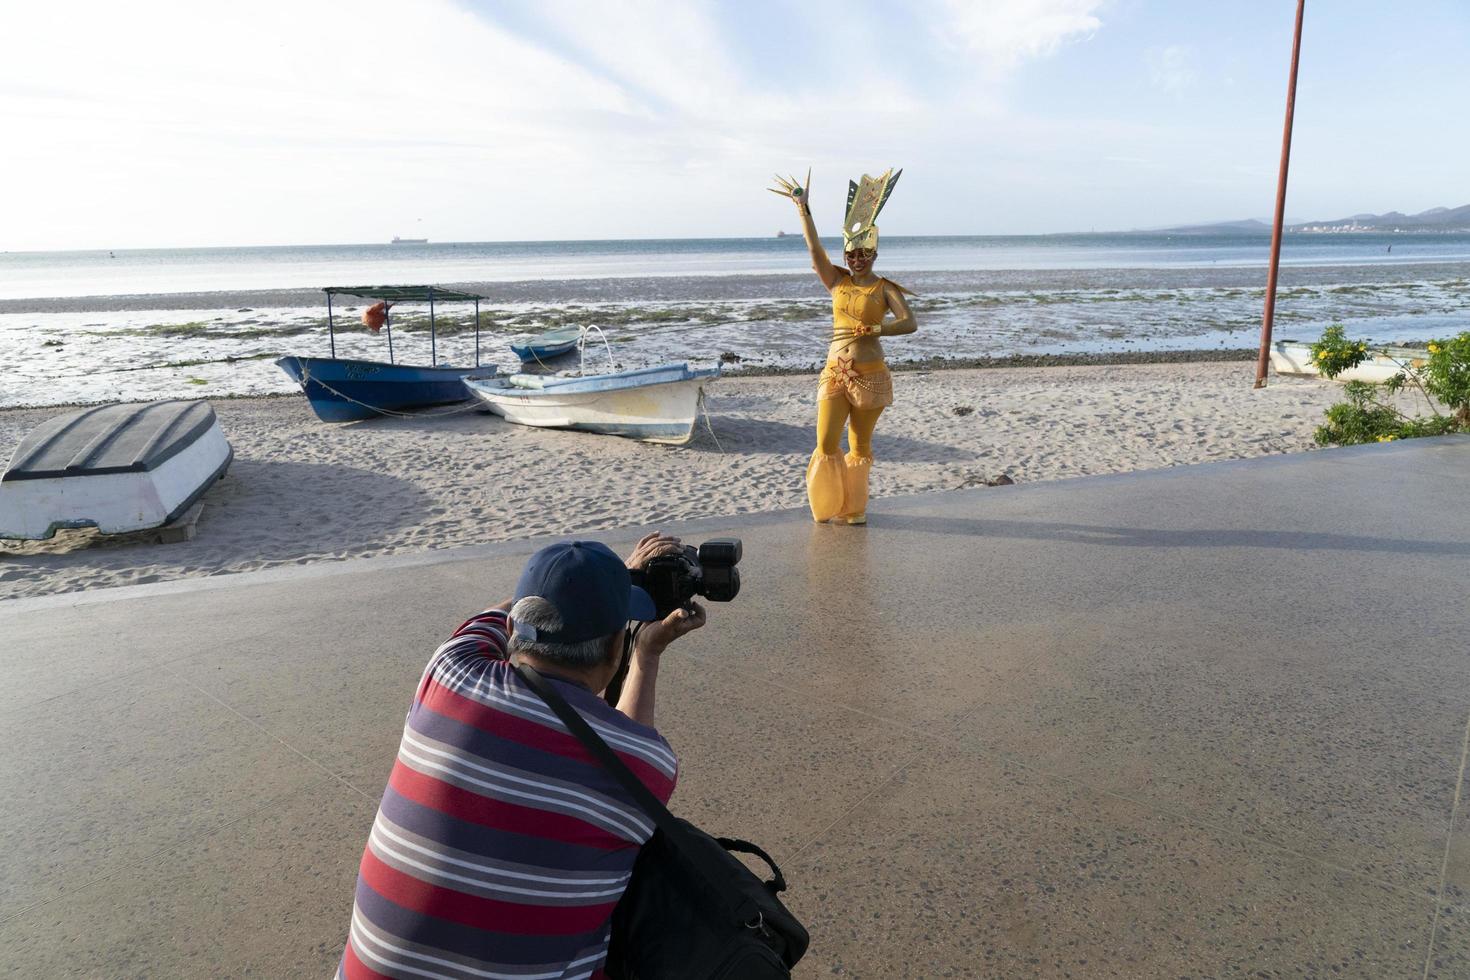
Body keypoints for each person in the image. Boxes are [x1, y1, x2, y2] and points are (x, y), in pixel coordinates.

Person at [337, 534, 706, 980]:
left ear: (512, 630)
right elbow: (625, 764)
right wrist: (645, 653)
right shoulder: (647, 762)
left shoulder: (449, 672)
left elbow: (505, 613)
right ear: (614, 650)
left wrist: (602, 581)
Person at [770, 167, 918, 525]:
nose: (856, 260)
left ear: (874, 255)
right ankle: (828, 504)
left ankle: (854, 509)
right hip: (835, 374)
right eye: (851, 254)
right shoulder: (836, 281)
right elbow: (813, 249)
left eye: (863, 254)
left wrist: (877, 330)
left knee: (859, 446)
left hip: (870, 376)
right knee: (825, 442)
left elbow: (909, 323)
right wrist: (803, 209)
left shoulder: (885, 288)